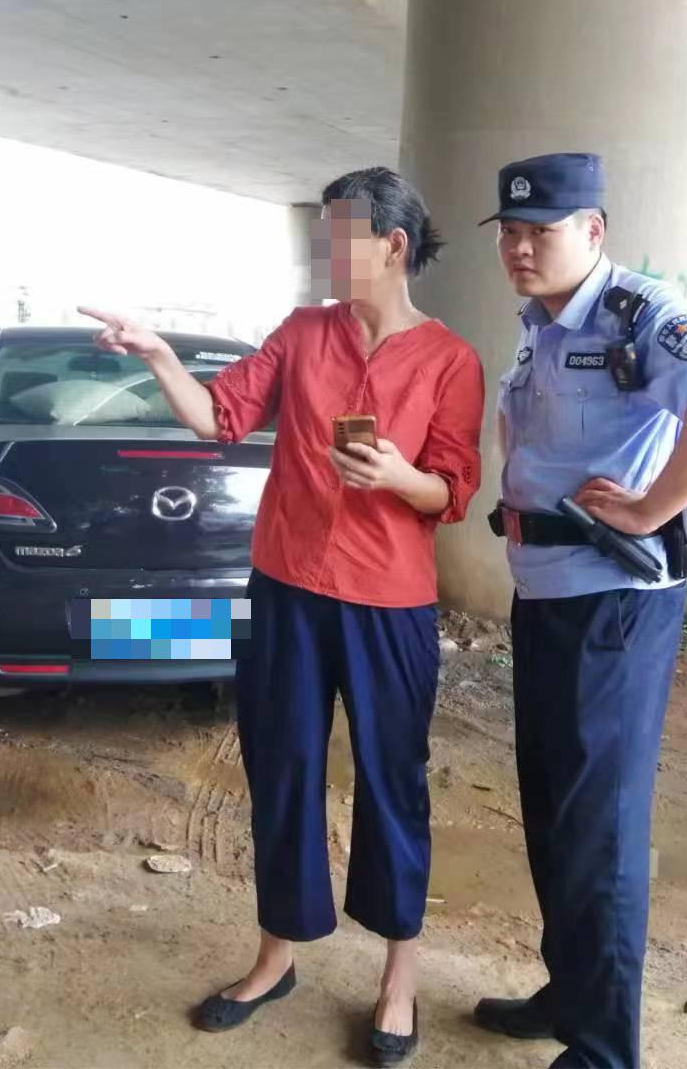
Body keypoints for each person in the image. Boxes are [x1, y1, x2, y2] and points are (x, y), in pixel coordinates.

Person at [80, 166, 484, 1067]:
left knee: (392, 780)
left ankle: (399, 977)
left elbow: (453, 491)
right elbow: (218, 417)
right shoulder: (303, 334)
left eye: (340, 237)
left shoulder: (449, 359)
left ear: (393, 246)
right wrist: (158, 355)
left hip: (389, 603)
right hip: (288, 589)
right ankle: (278, 956)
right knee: (282, 768)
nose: (323, 253)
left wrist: (399, 477)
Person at [471, 153, 687, 1069]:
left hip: (614, 606)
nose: (520, 248)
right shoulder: (539, 326)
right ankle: (571, 993)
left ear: (592, 231)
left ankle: (603, 1051)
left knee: (600, 827)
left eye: (541, 231)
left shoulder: (641, 314)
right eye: (510, 233)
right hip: (547, 594)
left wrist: (650, 509)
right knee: (554, 811)